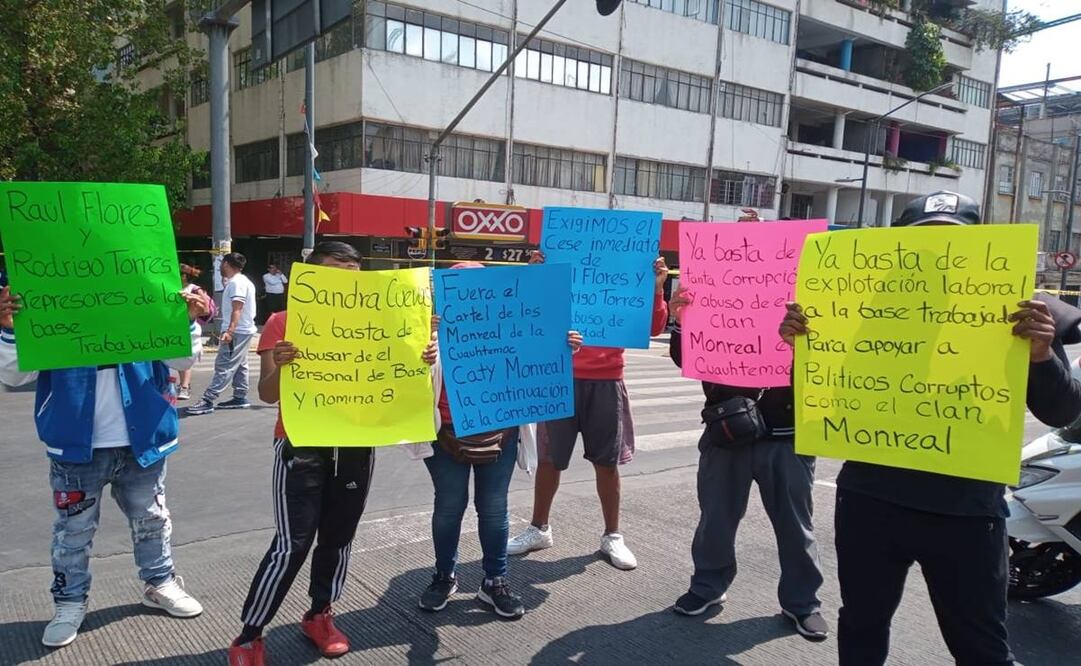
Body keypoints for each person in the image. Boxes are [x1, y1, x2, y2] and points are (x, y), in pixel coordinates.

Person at [779, 190, 1081, 665]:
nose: (937, 256)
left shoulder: (1017, 311)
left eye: (951, 244)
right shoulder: (855, 307)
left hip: (966, 511)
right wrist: (806, 348)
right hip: (870, 500)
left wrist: (1041, 356)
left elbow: (1061, 412)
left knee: (980, 646)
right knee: (861, 624)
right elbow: (824, 403)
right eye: (924, 244)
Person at [228, 242, 439, 666]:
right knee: (293, 545)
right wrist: (282, 365)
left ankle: (320, 613)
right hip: (301, 444)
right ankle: (250, 636)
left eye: (353, 275)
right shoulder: (283, 322)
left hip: (357, 444)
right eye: (333, 273)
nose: (345, 283)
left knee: (339, 539)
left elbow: (402, 377)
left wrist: (424, 356)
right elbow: (267, 394)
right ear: (312, 277)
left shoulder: (386, 320)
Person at [0, 284, 209, 648]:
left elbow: (183, 361)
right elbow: (15, 375)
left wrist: (187, 320)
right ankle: (69, 602)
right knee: (73, 532)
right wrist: (9, 327)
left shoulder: (148, 289)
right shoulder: (51, 293)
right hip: (76, 445)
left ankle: (159, 583)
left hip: (143, 439)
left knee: (152, 519)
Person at [413, 262, 584, 620]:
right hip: (444, 435)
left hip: (500, 434)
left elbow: (538, 352)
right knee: (448, 508)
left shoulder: (512, 319)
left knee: (493, 510)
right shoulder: (422, 326)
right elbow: (400, 381)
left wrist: (562, 344)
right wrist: (422, 353)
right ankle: (444, 576)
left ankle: (495, 581)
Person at [667, 285, 828, 640]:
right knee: (715, 519)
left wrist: (802, 339)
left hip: (787, 434)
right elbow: (685, 358)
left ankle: (802, 602)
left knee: (795, 524)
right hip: (726, 430)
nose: (753, 225)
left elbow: (827, 363)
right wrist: (681, 320)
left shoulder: (809, 293)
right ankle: (708, 585)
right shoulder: (715, 291)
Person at [507, 253, 669, 569]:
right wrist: (533, 277)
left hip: (607, 381)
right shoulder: (558, 276)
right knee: (549, 460)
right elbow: (527, 314)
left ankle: (613, 535)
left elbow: (651, 328)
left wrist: (657, 288)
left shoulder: (623, 281)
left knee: (607, 463)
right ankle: (539, 528)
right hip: (559, 377)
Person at [187, 252, 257, 415]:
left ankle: (208, 400)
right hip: (244, 330)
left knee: (224, 365)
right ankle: (240, 396)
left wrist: (230, 331)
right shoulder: (243, 281)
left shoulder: (236, 284)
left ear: (226, 263)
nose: (219, 267)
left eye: (221, 264)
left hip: (237, 331)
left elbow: (237, 308)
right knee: (240, 364)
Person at [177, 263, 216, 400]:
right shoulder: (173, 287)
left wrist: (193, 300)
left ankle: (184, 387)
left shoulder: (194, 289)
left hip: (190, 327)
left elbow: (206, 309)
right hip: (175, 326)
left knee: (184, 357)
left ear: (184, 276)